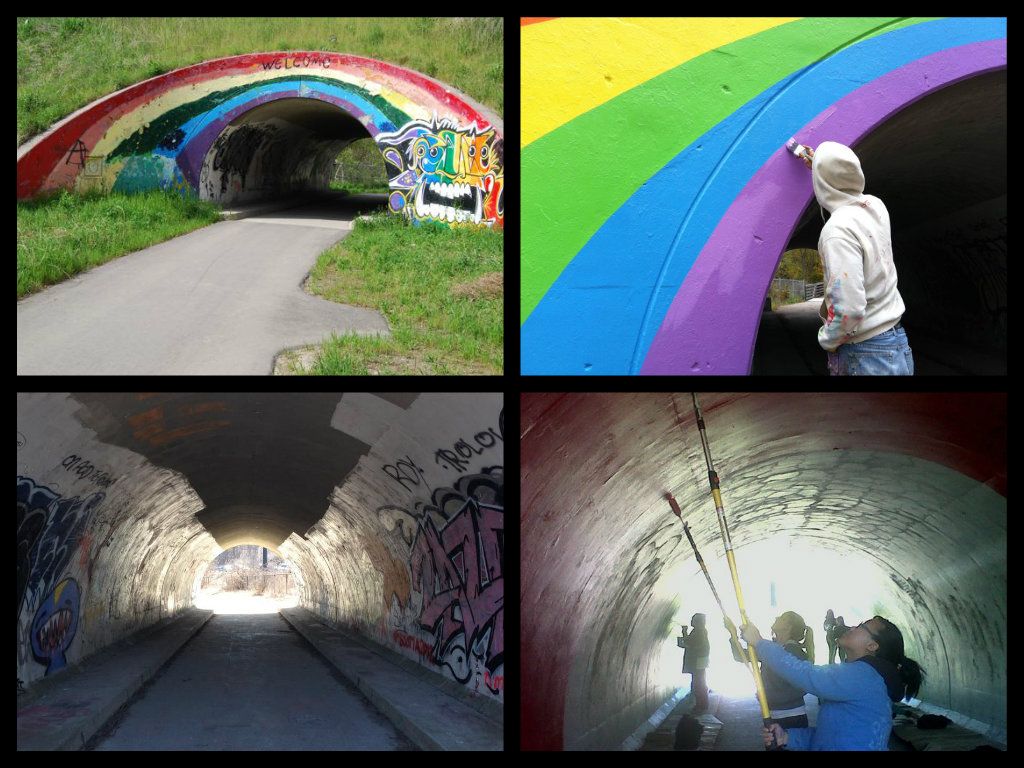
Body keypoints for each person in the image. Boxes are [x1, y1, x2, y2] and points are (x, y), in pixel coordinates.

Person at [800, 142, 914, 375]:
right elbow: (842, 178)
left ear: (822, 182)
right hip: (897, 343)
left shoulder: (837, 231)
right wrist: (823, 167)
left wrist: (827, 340)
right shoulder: (876, 207)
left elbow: (849, 308)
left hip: (865, 353)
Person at [739, 615, 927, 750]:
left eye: (862, 627)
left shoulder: (863, 675)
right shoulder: (867, 678)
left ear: (872, 646)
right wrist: (788, 737)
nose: (853, 627)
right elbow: (829, 736)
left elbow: (807, 674)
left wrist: (759, 642)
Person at [726, 611, 815, 728]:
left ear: (788, 627)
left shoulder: (794, 652)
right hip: (773, 714)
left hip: (790, 717)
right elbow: (740, 655)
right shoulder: (773, 649)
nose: (777, 616)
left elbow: (800, 688)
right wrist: (733, 634)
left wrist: (769, 696)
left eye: (782, 617)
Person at [679, 613, 711, 714]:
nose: (691, 621)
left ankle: (700, 705)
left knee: (698, 683)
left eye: (693, 619)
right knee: (700, 681)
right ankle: (703, 703)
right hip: (701, 660)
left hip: (698, 661)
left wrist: (684, 632)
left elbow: (690, 642)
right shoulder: (701, 631)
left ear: (697, 621)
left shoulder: (699, 631)